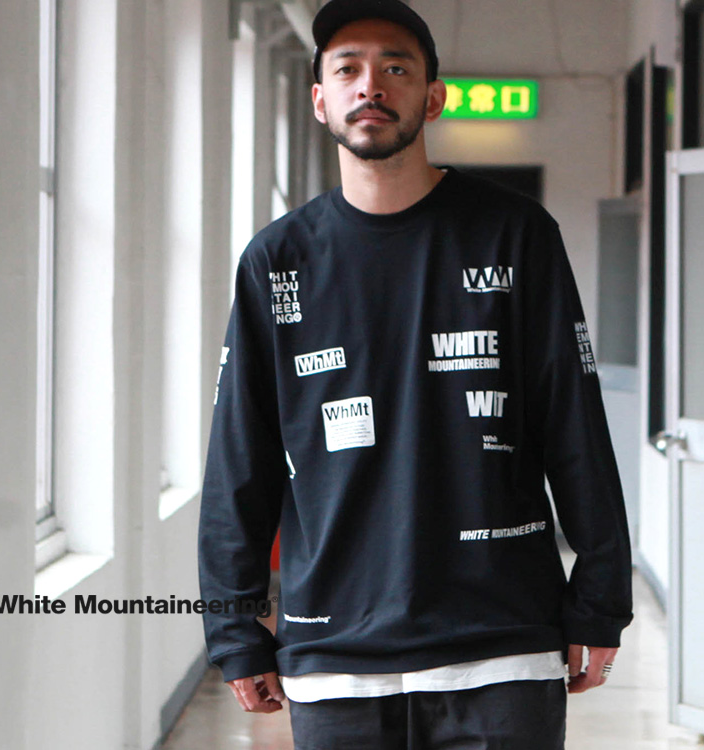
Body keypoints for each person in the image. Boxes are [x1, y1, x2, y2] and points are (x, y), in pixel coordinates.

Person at [197, 0, 634, 746]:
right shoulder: (276, 261)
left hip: (501, 646)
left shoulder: (516, 235)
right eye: (348, 69)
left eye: (395, 68)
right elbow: (243, 457)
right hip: (336, 654)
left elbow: (574, 423)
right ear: (320, 100)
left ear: (432, 98)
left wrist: (600, 594)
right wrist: (234, 625)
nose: (371, 85)